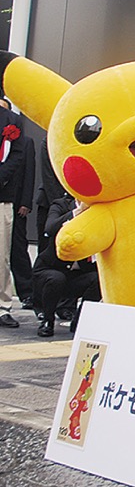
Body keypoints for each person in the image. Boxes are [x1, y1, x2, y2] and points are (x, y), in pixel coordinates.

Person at [33, 195, 100, 337]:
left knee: (97, 279)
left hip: (76, 273)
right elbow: (50, 228)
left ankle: (80, 321)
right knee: (56, 278)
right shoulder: (60, 205)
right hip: (51, 268)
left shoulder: (98, 211)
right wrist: (78, 212)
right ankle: (47, 321)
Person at [2, 102, 36, 309]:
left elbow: (28, 172)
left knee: (15, 249)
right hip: (7, 195)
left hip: (13, 199)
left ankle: (26, 291)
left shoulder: (23, 138)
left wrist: (25, 202)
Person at [0, 106, 28, 329]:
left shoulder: (12, 120)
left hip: (2, 196)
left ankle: (2, 306)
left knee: (1, 256)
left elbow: (17, 156)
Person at [34, 136, 68, 254]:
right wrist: (61, 205)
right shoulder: (50, 140)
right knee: (46, 249)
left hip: (75, 203)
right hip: (50, 202)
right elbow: (48, 177)